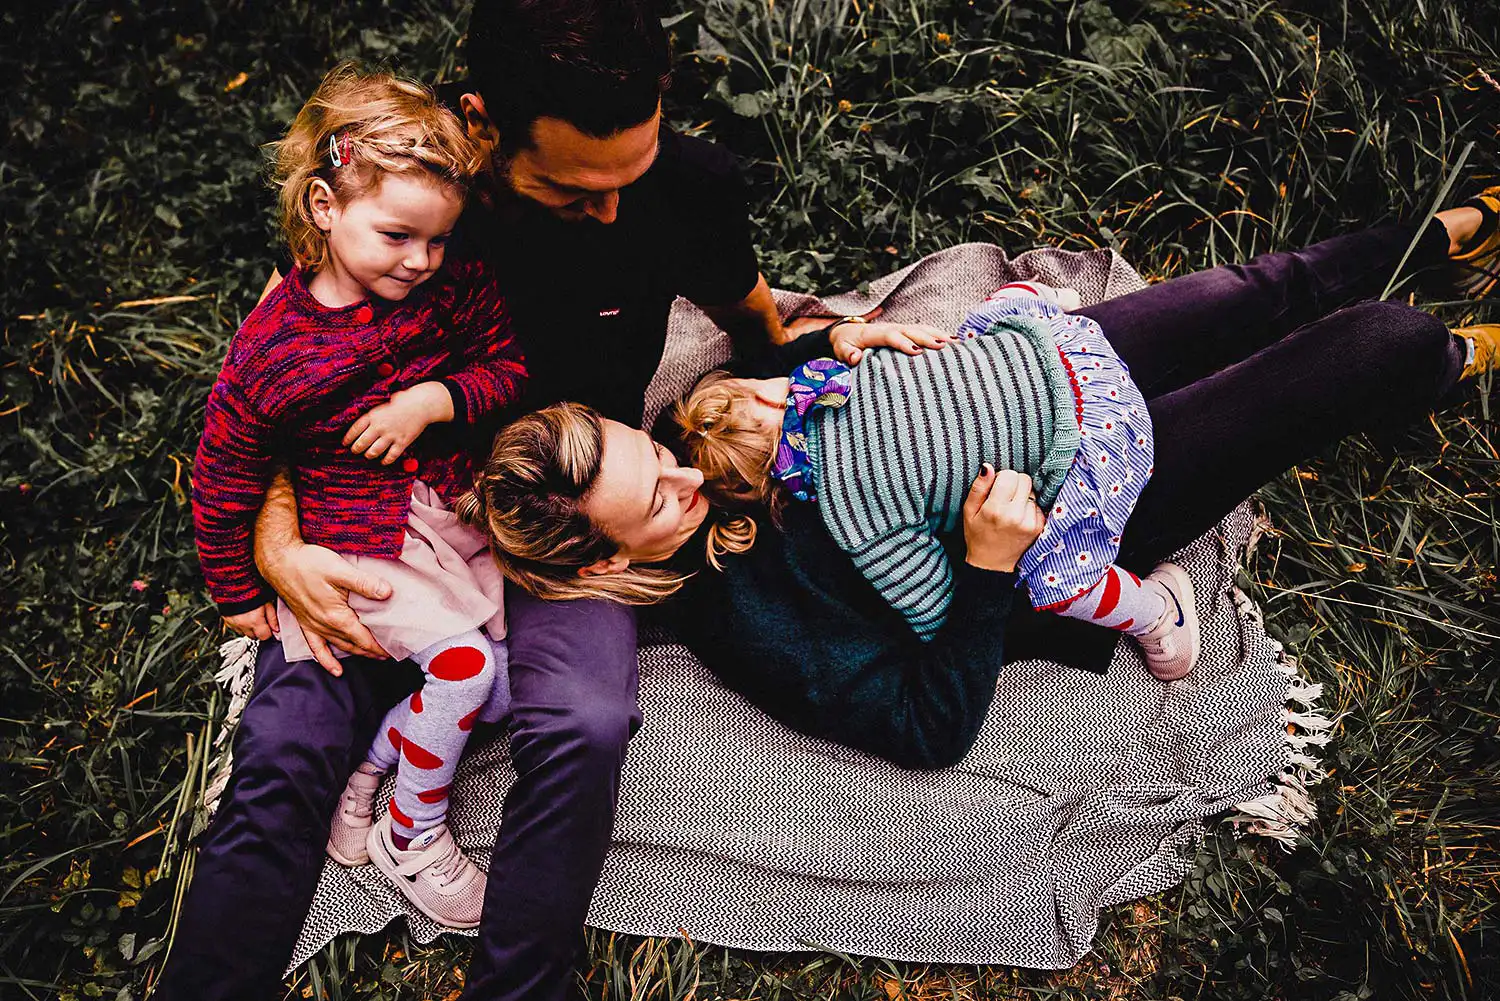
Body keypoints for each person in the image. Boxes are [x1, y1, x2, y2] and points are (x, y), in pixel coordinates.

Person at [158, 2, 795, 999]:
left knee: (585, 719)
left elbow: (750, 308)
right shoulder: (423, 213)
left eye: (631, 175)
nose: (612, 211)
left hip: (564, 511)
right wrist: (276, 545)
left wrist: (824, 345)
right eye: (574, 190)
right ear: (482, 125)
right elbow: (278, 393)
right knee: (289, 750)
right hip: (383, 519)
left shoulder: (682, 185)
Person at [462, 199, 1500, 770]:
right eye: (657, 501)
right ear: (605, 561)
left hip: (1023, 384)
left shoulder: (679, 441)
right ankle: (1452, 357)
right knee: (1361, 346)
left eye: (657, 451)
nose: (686, 475)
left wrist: (844, 338)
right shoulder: (749, 621)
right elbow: (927, 727)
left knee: (1251, 291)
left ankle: (1450, 225)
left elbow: (795, 385)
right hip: (1068, 500)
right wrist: (990, 566)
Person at [191, 65, 522, 929]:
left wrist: (437, 399)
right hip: (363, 543)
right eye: (397, 236)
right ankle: (413, 834)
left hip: (451, 516)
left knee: (512, 683)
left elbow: (508, 367)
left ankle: (369, 773)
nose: (420, 261)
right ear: (323, 208)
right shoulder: (275, 349)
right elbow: (224, 468)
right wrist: (237, 590)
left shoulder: (451, 286)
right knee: (466, 669)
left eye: (437, 241)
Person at [673, 279, 1203, 681]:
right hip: (1066, 348)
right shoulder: (854, 362)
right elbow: (939, 357)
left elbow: (934, 608)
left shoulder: (850, 511)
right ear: (761, 388)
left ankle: (1155, 613)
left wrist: (979, 555)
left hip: (1100, 449)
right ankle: (1040, 294)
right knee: (976, 324)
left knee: (1062, 583)